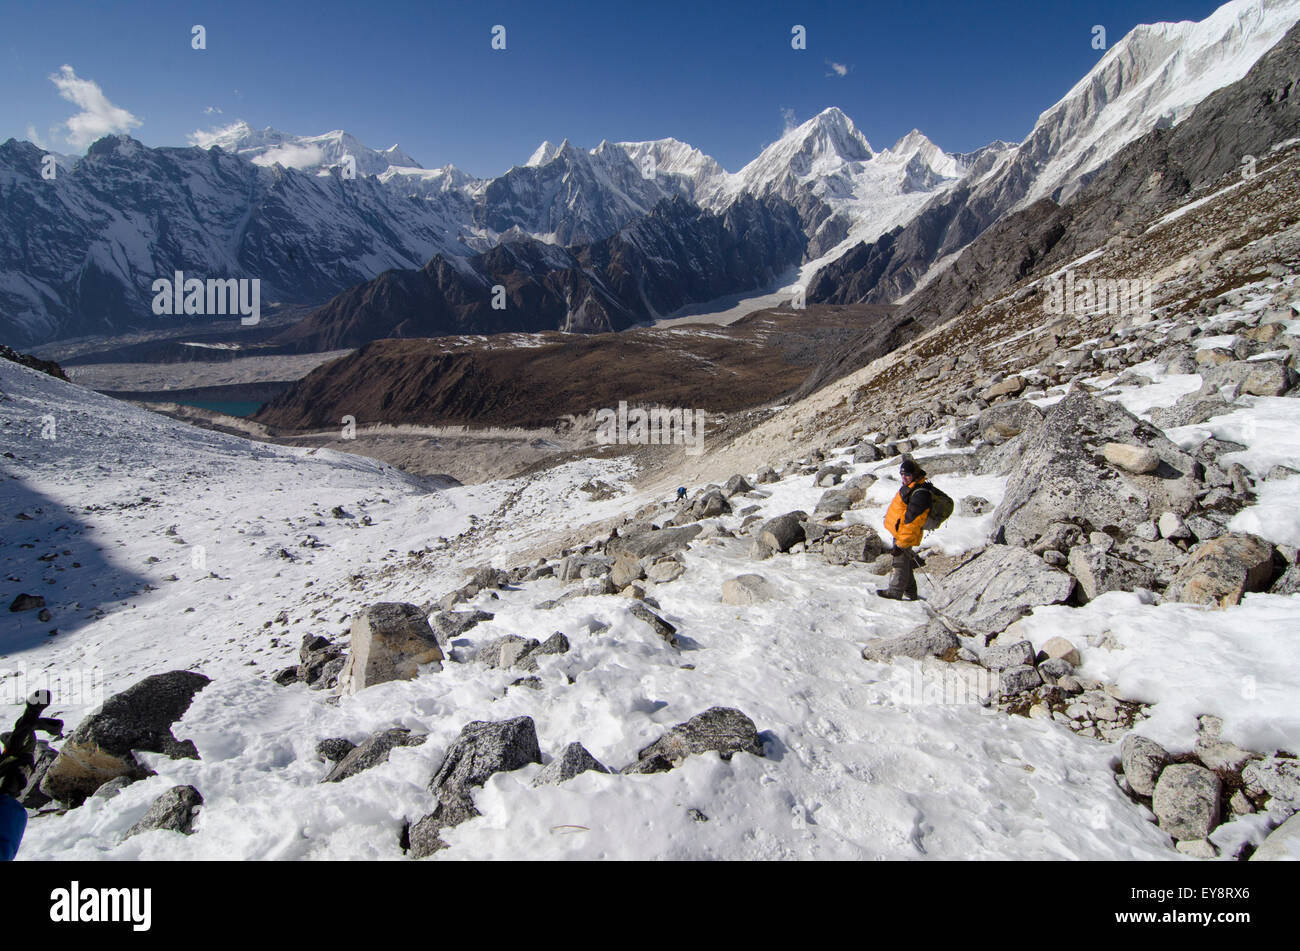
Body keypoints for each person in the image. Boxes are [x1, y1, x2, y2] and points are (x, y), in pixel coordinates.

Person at [877, 457, 931, 601]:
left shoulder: (920, 493)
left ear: (915, 474)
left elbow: (913, 522)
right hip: (900, 532)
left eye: (907, 474)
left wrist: (901, 544)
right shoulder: (911, 487)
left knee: (899, 562)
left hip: (905, 535)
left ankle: (895, 592)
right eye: (902, 474)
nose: (904, 477)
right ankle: (910, 592)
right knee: (905, 562)